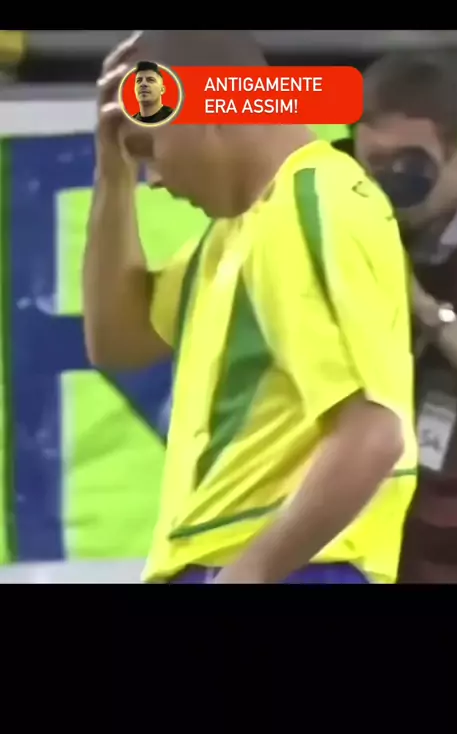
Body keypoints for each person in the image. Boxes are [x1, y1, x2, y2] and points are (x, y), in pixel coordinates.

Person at [83, 29, 417, 585]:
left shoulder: (309, 205)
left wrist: (250, 574)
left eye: (148, 150)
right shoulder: (243, 230)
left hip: (291, 567)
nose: (155, 179)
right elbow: (117, 341)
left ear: (210, 113)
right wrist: (111, 174)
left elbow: (373, 433)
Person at [356, 53, 457, 583]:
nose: (393, 183)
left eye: (412, 164)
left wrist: (426, 311)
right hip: (390, 541)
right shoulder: (360, 229)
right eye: (375, 164)